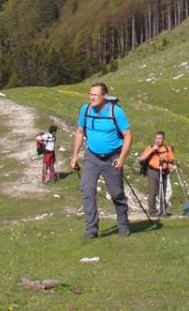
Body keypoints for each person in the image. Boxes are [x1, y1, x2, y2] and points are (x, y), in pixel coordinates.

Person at [70, 83, 133, 238]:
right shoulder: (86, 110)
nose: (91, 97)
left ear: (104, 96)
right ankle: (91, 229)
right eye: (90, 94)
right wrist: (74, 155)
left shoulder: (116, 112)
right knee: (87, 190)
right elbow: (79, 132)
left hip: (112, 157)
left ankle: (123, 224)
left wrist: (122, 158)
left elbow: (128, 135)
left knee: (116, 193)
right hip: (92, 156)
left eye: (95, 95)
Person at [139, 131, 175, 217]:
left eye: (160, 138)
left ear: (163, 139)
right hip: (152, 171)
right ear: (154, 138)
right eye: (157, 138)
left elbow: (172, 160)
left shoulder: (167, 148)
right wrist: (152, 150)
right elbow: (142, 158)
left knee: (163, 191)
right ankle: (152, 211)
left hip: (164, 171)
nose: (158, 140)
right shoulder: (150, 147)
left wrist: (165, 159)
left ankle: (163, 211)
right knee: (152, 191)